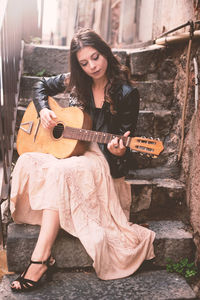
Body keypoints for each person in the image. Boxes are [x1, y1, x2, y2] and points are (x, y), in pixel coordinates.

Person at [10, 28, 155, 292]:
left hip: (99, 157)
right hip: (72, 148)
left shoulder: (125, 93)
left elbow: (123, 146)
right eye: (84, 63)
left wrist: (119, 150)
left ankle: (40, 259)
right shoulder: (76, 81)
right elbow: (40, 85)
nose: (92, 66)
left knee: (60, 172)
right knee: (29, 160)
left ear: (106, 52)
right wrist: (43, 111)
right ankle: (42, 256)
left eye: (95, 57)